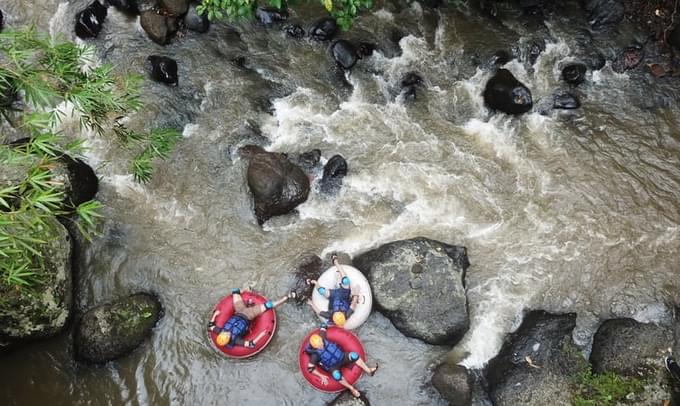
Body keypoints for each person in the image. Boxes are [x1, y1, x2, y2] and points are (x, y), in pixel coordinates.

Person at [304, 323, 378, 398]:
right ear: (315, 347)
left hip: (342, 357)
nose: (321, 345)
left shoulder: (322, 337)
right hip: (333, 366)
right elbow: (310, 369)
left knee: (354, 355)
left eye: (321, 342)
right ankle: (351, 388)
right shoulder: (315, 355)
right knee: (337, 376)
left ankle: (369, 370)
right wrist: (321, 376)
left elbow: (323, 326)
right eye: (319, 345)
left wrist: (327, 325)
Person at [208, 287, 296, 348]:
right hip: (248, 315)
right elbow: (251, 344)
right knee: (268, 305)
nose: (227, 333)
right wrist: (260, 335)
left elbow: (210, 326)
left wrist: (215, 314)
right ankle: (287, 297)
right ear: (228, 339)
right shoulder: (236, 340)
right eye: (227, 335)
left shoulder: (220, 331)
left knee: (235, 291)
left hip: (238, 311)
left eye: (225, 333)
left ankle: (248, 289)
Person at [306, 254, 360, 328]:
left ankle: (314, 282)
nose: (337, 312)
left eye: (336, 313)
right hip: (344, 295)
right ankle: (336, 262)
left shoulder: (330, 316)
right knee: (346, 280)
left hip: (333, 296)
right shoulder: (347, 314)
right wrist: (356, 294)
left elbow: (319, 312)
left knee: (321, 291)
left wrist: (311, 304)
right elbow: (353, 304)